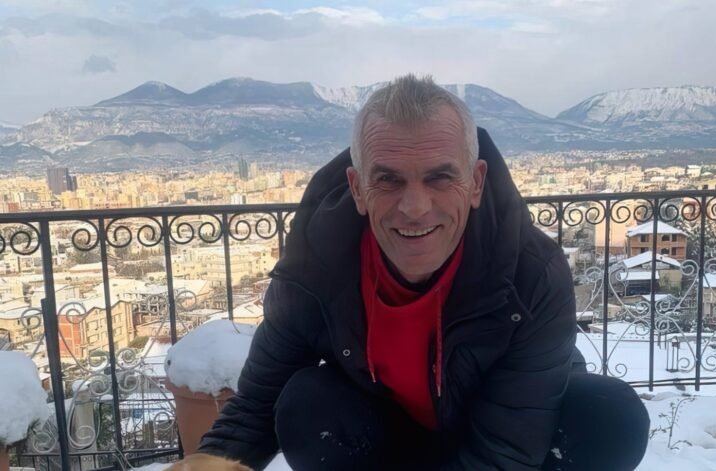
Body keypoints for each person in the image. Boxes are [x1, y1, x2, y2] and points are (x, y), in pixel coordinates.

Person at [182, 74, 650, 470]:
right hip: (390, 437)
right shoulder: (317, 265)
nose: (415, 207)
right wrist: (209, 462)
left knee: (608, 416)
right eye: (388, 179)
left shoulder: (531, 272)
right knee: (308, 404)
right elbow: (259, 401)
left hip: (504, 430)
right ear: (358, 189)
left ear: (476, 183)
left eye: (439, 177)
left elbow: (506, 450)